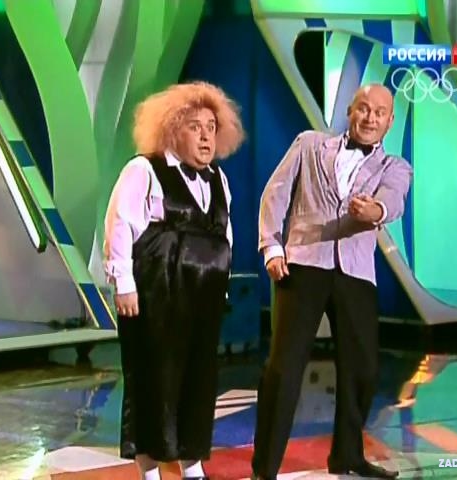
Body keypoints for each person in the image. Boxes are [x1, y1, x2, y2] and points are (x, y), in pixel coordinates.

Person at [251, 84, 412, 479]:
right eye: (364, 109)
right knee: (284, 369)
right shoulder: (309, 144)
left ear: (390, 122)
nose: (370, 118)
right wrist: (272, 246)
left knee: (363, 368)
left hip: (355, 272)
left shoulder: (395, 167)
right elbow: (275, 194)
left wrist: (374, 210)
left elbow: (393, 201)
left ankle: (347, 456)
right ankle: (264, 469)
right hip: (303, 264)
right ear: (350, 111)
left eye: (379, 113)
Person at [103, 81, 244, 480]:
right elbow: (120, 225)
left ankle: (192, 463)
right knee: (154, 381)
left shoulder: (218, 179)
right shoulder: (144, 170)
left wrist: (221, 285)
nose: (205, 137)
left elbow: (224, 235)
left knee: (198, 381)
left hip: (202, 300)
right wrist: (123, 284)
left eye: (211, 127)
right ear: (171, 130)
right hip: (155, 296)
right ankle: (149, 470)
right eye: (195, 127)